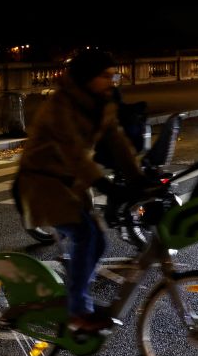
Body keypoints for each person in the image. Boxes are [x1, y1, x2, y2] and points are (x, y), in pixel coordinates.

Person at [16, 49, 144, 333]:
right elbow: (73, 152)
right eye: (106, 76)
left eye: (115, 76)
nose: (112, 82)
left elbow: (117, 141)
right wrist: (105, 185)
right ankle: (78, 312)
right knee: (87, 236)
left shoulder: (102, 102)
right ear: (87, 77)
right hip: (42, 182)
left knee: (97, 242)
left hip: (68, 184)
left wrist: (138, 177)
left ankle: (77, 300)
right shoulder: (60, 105)